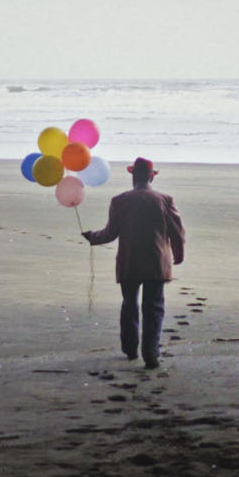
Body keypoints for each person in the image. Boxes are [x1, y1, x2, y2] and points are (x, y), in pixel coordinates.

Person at [81, 157, 186, 368]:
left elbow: (110, 233)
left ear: (133, 177)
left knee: (129, 304)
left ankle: (130, 349)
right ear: (151, 177)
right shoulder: (165, 200)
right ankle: (151, 352)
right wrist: (178, 253)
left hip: (129, 261)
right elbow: (177, 232)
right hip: (156, 261)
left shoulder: (119, 201)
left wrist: (92, 236)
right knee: (154, 306)